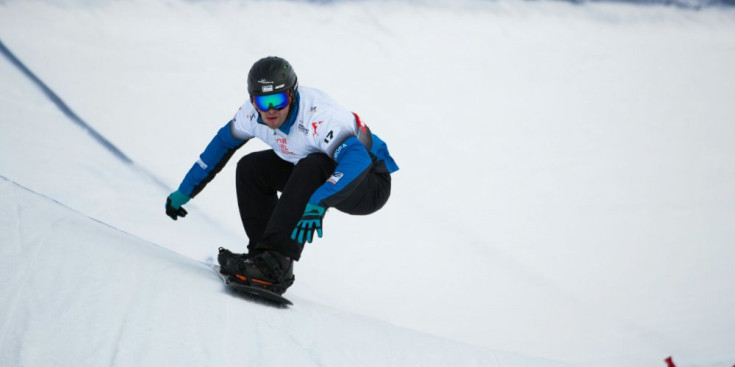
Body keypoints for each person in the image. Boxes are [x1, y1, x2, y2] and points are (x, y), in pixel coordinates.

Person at [165, 56, 398, 295]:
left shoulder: (318, 117)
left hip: (369, 182)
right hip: (312, 167)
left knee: (314, 165)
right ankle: (262, 257)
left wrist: (320, 200)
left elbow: (358, 159)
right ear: (252, 101)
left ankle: (277, 264)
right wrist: (185, 191)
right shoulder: (250, 116)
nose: (271, 110)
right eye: (262, 102)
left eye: (278, 100)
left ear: (292, 95)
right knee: (251, 168)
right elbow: (220, 146)